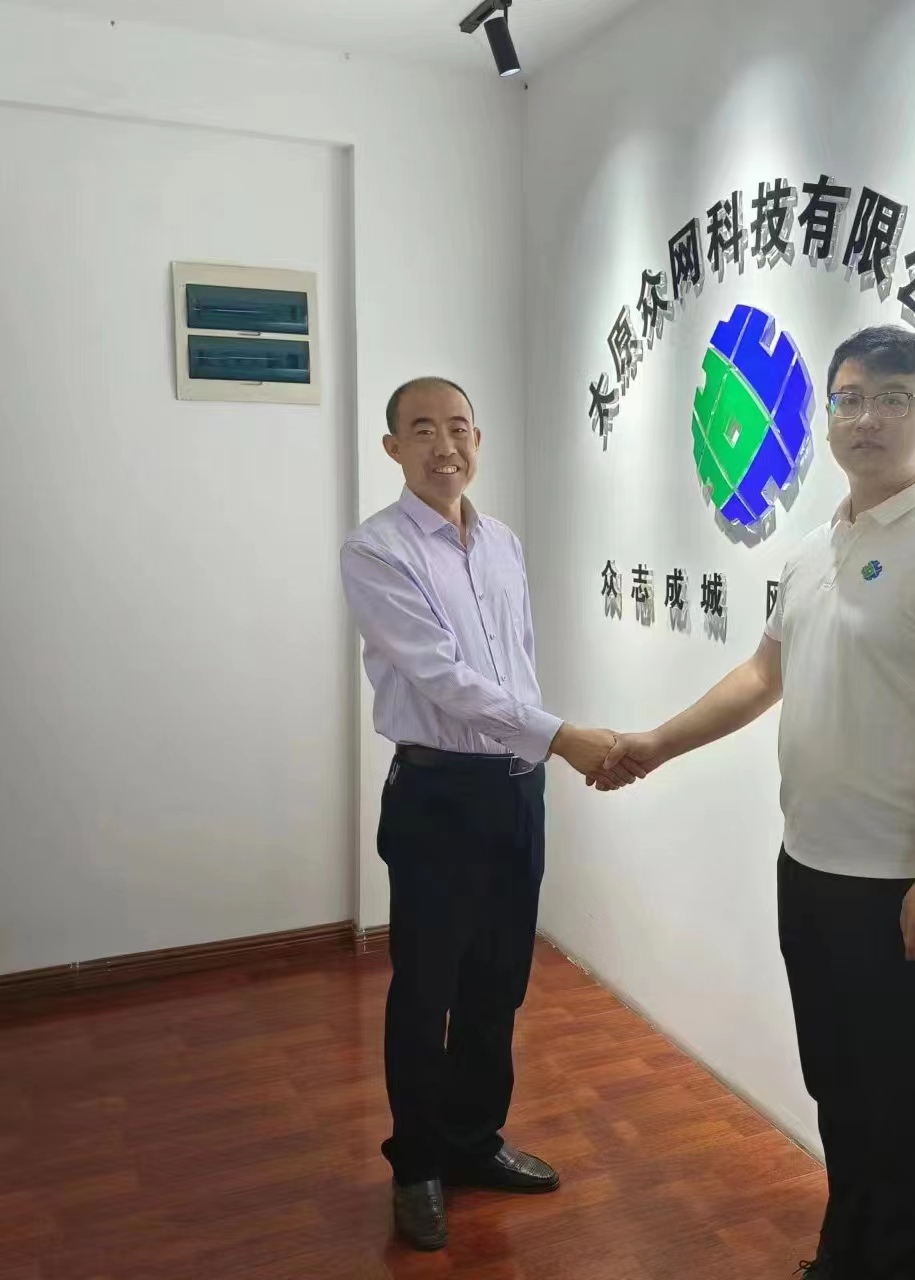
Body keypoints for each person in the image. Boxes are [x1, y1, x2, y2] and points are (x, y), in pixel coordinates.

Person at [598, 327, 915, 1280]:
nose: (867, 419)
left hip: (903, 884)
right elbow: (762, 676)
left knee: (904, 1106)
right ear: (826, 415)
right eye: (849, 399)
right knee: (838, 1087)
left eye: (893, 400)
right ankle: (844, 1256)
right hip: (810, 868)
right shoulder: (811, 552)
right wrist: (656, 744)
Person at [340, 376, 632, 1253]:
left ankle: (472, 1139)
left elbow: (517, 668)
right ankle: (416, 1165)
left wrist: (541, 750)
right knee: (425, 989)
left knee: (498, 981)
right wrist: (564, 737)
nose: (445, 446)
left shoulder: (501, 543)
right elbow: (443, 679)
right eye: (422, 429)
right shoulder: (377, 550)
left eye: (459, 428)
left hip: (514, 788)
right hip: (437, 796)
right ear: (392, 447)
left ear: (478, 438)